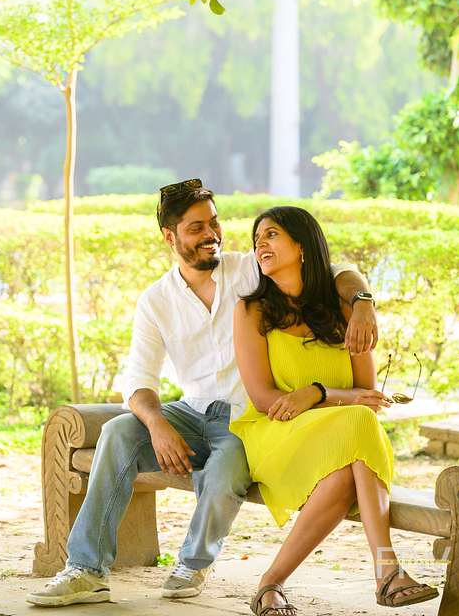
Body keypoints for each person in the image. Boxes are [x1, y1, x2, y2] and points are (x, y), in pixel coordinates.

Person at [27, 180, 378, 607]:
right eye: (196, 228)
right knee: (118, 432)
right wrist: (157, 425)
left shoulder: (250, 269)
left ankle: (192, 563)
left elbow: (335, 271)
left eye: (214, 223)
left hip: (249, 420)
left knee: (225, 470)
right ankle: (86, 569)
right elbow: (138, 381)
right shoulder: (156, 300)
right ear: (169, 236)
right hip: (190, 412)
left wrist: (363, 301)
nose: (211, 234)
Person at [229, 205, 439, 615]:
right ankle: (387, 569)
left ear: (302, 246)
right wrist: (326, 396)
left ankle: (270, 585)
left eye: (271, 234)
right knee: (357, 420)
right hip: (275, 433)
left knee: (345, 473)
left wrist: (318, 394)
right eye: (257, 239)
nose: (260, 244)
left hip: (340, 436)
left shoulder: (343, 309)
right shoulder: (252, 310)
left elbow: (367, 393)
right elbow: (266, 400)